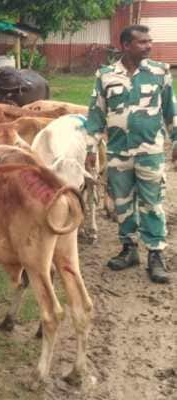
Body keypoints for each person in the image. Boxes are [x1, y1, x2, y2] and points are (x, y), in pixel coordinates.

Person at [86, 24, 174, 284]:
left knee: (152, 204)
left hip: (150, 151)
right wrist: (91, 147)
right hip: (118, 153)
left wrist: (176, 138)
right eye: (142, 42)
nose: (149, 46)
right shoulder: (105, 75)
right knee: (122, 204)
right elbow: (96, 114)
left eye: (150, 41)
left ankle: (155, 254)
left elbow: (170, 108)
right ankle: (129, 249)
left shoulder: (160, 72)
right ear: (126, 45)